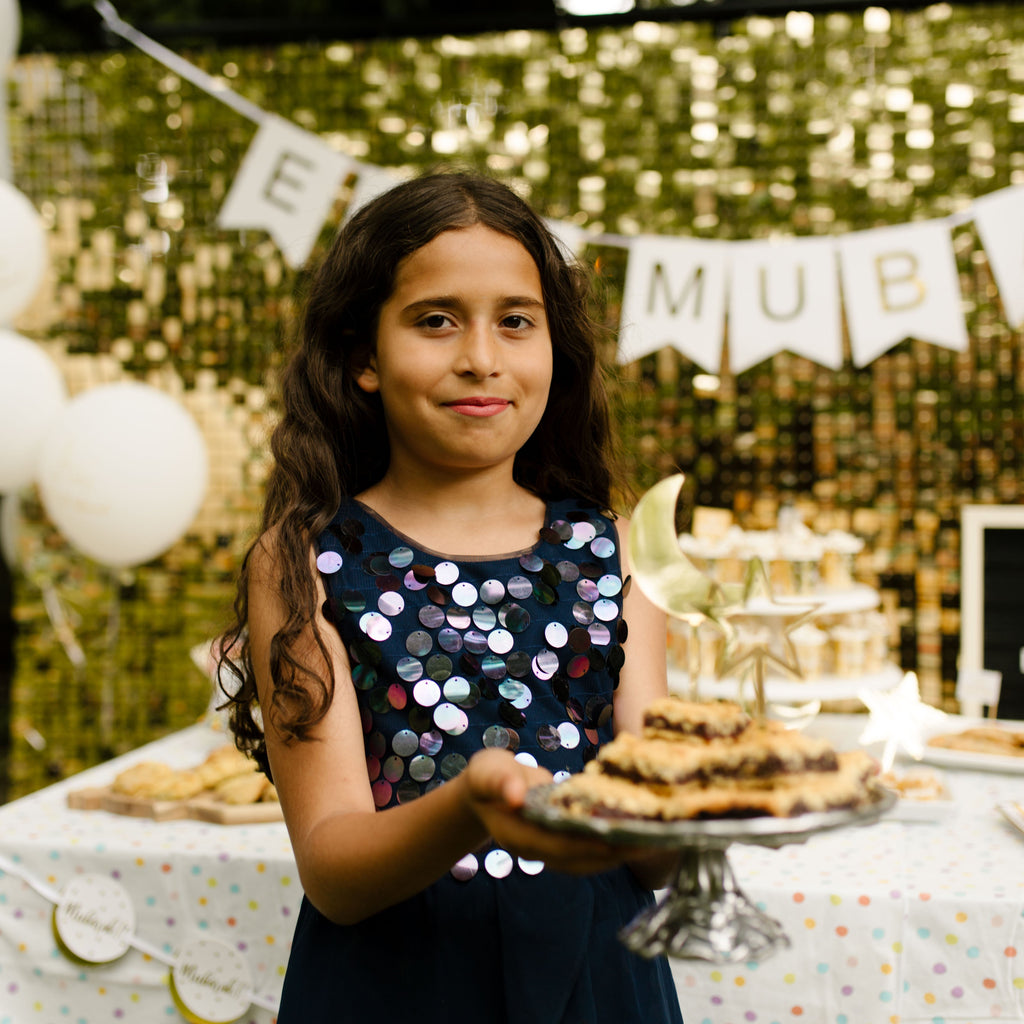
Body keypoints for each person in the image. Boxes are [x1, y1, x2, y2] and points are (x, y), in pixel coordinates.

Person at [220, 170, 685, 1024]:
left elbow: (655, 839)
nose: (481, 356)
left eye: (516, 321)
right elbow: (333, 873)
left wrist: (704, 808)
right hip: (392, 987)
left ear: (556, 347)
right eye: (436, 320)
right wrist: (473, 804)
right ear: (363, 355)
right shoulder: (300, 563)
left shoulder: (618, 550)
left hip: (598, 981)